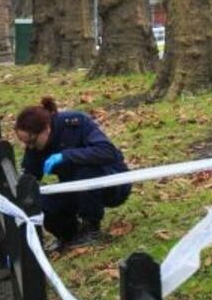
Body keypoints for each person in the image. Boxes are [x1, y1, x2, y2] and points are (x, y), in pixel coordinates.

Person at [14, 97, 131, 249]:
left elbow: (107, 152)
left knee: (85, 171)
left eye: (32, 141)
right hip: (73, 188)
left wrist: (67, 156)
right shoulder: (35, 147)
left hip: (110, 182)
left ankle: (91, 227)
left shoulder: (76, 123)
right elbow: (29, 177)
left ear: (46, 129)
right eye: (26, 144)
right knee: (44, 202)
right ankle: (68, 234)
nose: (30, 147)